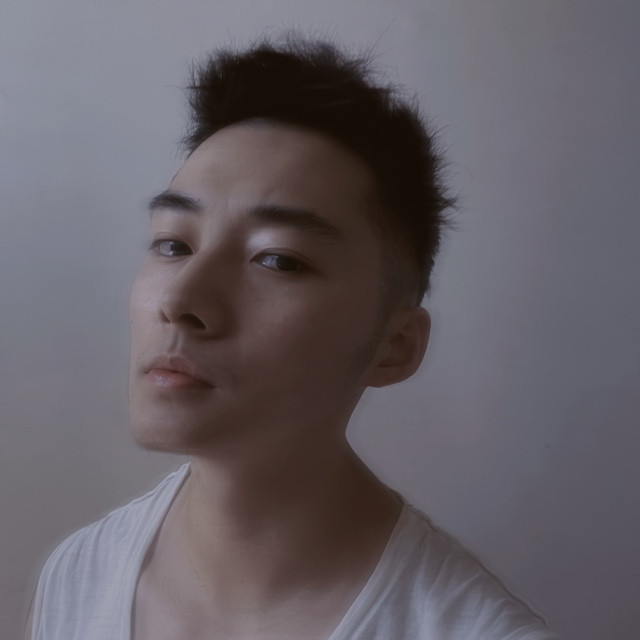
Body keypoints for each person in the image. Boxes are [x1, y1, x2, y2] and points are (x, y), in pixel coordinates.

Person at [26, 36, 556, 639]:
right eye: (173, 244)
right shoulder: (78, 576)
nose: (180, 301)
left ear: (395, 346)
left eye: (277, 259)